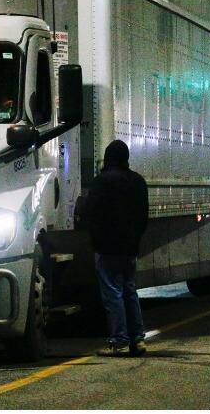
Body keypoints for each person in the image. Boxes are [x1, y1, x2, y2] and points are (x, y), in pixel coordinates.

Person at [84, 140, 149, 357]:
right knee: (130, 290)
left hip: (107, 247)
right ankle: (138, 339)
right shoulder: (138, 182)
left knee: (113, 292)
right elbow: (143, 217)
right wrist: (135, 238)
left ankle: (119, 340)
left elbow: (92, 214)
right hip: (130, 247)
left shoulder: (101, 182)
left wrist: (96, 240)